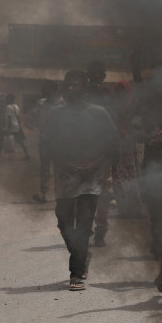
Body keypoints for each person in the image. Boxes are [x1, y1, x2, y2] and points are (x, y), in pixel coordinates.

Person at [41, 71, 118, 291]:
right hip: (66, 176)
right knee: (63, 221)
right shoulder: (55, 114)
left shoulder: (99, 113)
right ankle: (81, 255)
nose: (71, 89)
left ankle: (76, 274)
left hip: (91, 179)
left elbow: (111, 143)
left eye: (76, 85)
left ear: (85, 88)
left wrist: (95, 165)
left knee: (84, 226)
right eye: (68, 85)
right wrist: (64, 163)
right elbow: (47, 144)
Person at [2, 94, 29, 159]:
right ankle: (27, 154)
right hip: (16, 126)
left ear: (9, 99)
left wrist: (8, 130)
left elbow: (9, 120)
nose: (5, 100)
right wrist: (19, 126)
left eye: (6, 99)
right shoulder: (16, 107)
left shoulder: (8, 107)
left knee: (1, 141)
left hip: (10, 127)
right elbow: (18, 117)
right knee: (20, 142)